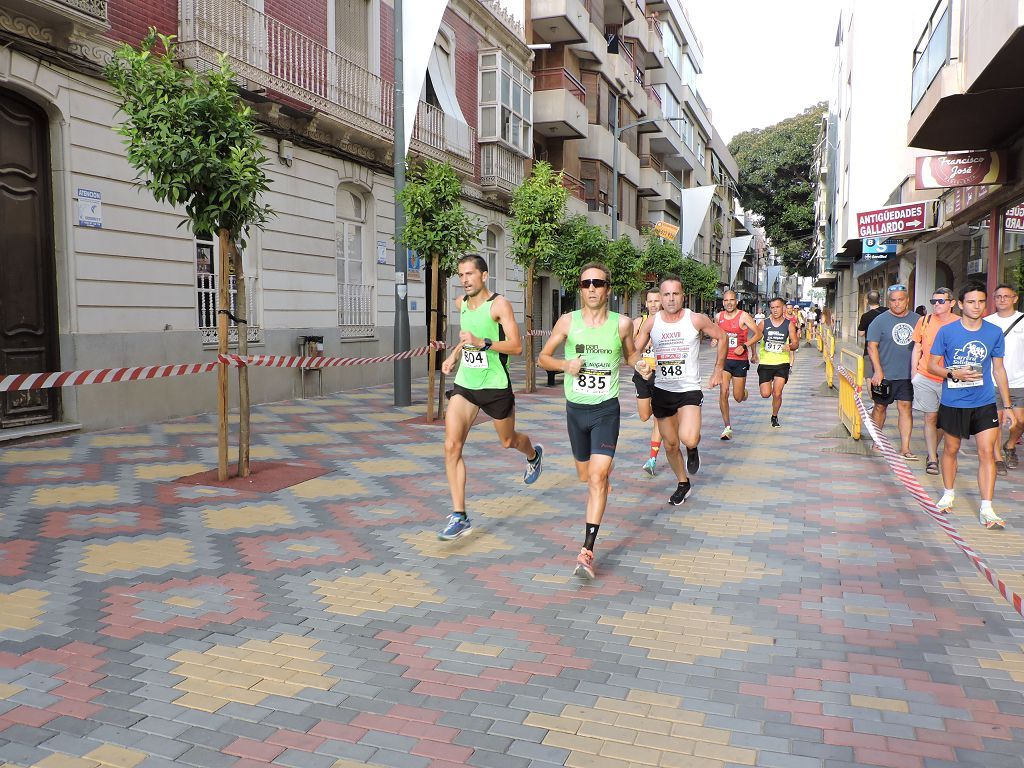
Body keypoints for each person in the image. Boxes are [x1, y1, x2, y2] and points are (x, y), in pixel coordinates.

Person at [538, 263, 635, 579]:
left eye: (598, 283)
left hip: (606, 410)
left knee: (596, 479)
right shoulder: (567, 321)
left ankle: (586, 551)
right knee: (586, 475)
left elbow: (631, 356)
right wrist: (565, 364)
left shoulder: (622, 325)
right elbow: (543, 358)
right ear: (580, 289)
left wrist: (643, 365)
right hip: (575, 411)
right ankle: (602, 469)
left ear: (608, 288)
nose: (591, 288)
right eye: (585, 284)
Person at [438, 255, 544, 540]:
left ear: (484, 276)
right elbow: (466, 337)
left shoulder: (499, 305)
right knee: (451, 445)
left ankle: (533, 455)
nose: (465, 280)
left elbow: (517, 346)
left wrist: (482, 343)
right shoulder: (460, 304)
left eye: (470, 274)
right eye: (461, 275)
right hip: (466, 384)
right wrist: (453, 355)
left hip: (496, 385)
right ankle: (459, 515)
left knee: (508, 441)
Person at [927, 282, 1016, 530]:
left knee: (987, 452)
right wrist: (952, 373)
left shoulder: (993, 332)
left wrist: (1007, 406)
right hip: (954, 401)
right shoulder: (947, 332)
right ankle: (948, 494)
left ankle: (987, 508)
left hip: (985, 401)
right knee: (951, 449)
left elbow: (998, 369)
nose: (976, 306)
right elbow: (932, 365)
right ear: (961, 304)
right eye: (971, 302)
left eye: (980, 301)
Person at [632, 275, 727, 505]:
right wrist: (638, 364)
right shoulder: (652, 323)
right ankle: (683, 483)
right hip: (662, 390)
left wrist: (717, 370)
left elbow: (722, 336)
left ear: (683, 296)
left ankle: (693, 448)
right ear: (661, 298)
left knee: (688, 437)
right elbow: (634, 351)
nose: (671, 298)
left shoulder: (695, 319)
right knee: (671, 445)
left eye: (675, 294)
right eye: (666, 294)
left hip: (689, 390)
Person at [910, 288, 959, 476]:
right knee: (930, 417)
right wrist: (914, 374)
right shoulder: (925, 320)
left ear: (952, 303)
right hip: (926, 376)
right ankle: (932, 458)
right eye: (934, 301)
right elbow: (917, 347)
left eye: (941, 301)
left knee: (945, 422)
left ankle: (938, 451)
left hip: (951, 379)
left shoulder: (960, 323)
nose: (936, 305)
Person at [867, 284, 918, 460]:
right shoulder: (879, 321)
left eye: (900, 300)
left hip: (907, 375)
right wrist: (878, 371)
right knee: (880, 407)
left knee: (906, 408)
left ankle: (905, 448)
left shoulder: (918, 320)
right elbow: (872, 347)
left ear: (907, 300)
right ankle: (877, 440)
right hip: (885, 375)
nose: (896, 304)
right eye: (893, 300)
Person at [712, 289, 762, 440]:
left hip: (740, 361)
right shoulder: (718, 317)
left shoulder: (744, 316)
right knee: (723, 392)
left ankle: (743, 393)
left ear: (736, 301)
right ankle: (727, 427)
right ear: (723, 302)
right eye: (726, 300)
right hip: (724, 360)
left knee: (738, 397)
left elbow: (758, 334)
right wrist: (715, 339)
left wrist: (747, 348)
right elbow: (717, 333)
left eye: (731, 300)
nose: (729, 303)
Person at [986, 284, 1024, 475]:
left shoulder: (1022, 321)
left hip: (1019, 381)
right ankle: (997, 458)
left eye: (1006, 296)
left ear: (1015, 298)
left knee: (1020, 421)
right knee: (996, 421)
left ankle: (1009, 446)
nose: (1002, 300)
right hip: (992, 381)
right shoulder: (987, 322)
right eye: (998, 296)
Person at [632, 287, 663, 475]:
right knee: (644, 416)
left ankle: (652, 459)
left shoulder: (667, 323)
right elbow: (629, 349)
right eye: (650, 301)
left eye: (656, 301)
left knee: (658, 416)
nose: (653, 304)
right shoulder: (638, 322)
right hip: (642, 375)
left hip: (660, 375)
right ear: (645, 303)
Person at [757, 297, 800, 427]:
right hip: (765, 363)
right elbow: (755, 338)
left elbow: (796, 343)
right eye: (772, 307)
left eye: (778, 307)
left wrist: (791, 346)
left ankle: (774, 416)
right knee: (765, 394)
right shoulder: (764, 323)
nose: (775, 310)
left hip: (782, 363)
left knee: (777, 392)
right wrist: (753, 353)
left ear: (783, 308)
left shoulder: (789, 324)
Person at [858, 290, 886, 378]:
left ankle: (872, 392)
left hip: (870, 350)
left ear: (867, 301)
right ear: (879, 300)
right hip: (886, 350)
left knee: (870, 376)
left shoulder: (866, 316)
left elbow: (861, 333)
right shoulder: (887, 312)